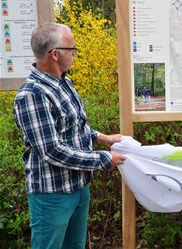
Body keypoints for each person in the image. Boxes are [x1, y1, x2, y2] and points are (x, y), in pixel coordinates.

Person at [13, 22, 126, 249]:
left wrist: (102, 137)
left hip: (78, 187)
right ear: (55, 54)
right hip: (52, 195)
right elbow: (52, 150)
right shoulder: (32, 94)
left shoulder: (64, 82)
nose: (75, 54)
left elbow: (73, 127)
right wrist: (103, 159)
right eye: (72, 49)